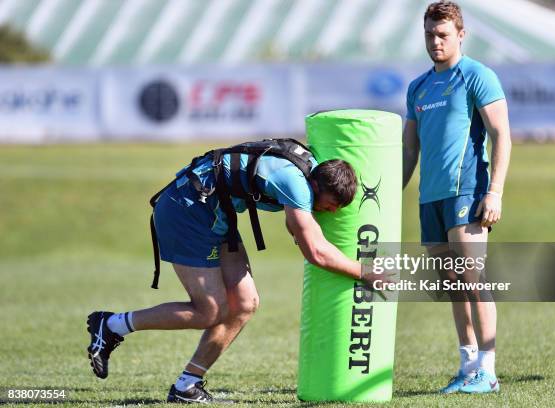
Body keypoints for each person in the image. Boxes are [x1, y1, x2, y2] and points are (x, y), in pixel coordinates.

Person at [86, 139, 380, 403]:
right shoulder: (295, 184)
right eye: (328, 207)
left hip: (215, 215)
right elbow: (315, 252)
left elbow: (300, 230)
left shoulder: (312, 172)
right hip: (186, 211)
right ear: (316, 187)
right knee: (209, 311)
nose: (327, 214)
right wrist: (365, 271)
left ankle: (187, 385)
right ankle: (112, 325)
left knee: (244, 304)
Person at [403, 1, 511, 394]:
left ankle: (489, 370)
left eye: (443, 34)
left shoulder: (477, 76)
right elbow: (409, 152)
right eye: (430, 33)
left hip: (467, 190)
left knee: (474, 278)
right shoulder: (417, 86)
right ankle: (467, 367)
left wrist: (494, 192)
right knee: (451, 283)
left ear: (461, 35)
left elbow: (501, 135)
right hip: (429, 198)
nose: (435, 41)